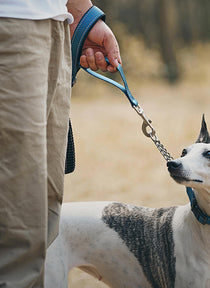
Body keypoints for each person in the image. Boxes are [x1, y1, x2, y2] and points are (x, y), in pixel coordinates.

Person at [0, 0, 121, 287]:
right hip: (12, 22)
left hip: (54, 24)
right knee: (18, 222)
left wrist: (80, 13)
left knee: (43, 213)